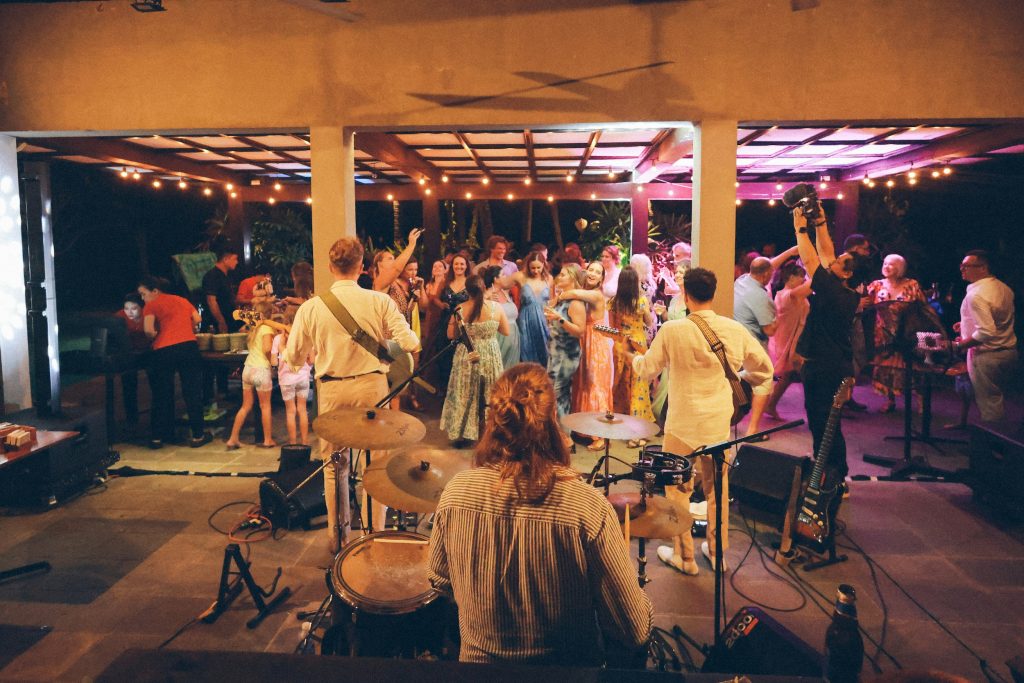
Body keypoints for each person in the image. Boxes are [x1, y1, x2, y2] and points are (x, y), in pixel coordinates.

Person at [428, 363, 652, 665]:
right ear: (552, 420)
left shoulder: (457, 492)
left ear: (494, 418)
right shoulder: (587, 508)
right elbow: (633, 631)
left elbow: (440, 580)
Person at [630, 267, 772, 576]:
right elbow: (764, 370)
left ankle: (686, 557)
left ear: (685, 293)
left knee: (678, 491)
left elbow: (646, 370)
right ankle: (717, 552)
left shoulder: (673, 330)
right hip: (718, 423)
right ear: (714, 292)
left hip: (682, 423)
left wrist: (635, 358)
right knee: (716, 488)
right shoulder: (734, 330)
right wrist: (741, 376)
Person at [284, 236, 419, 552]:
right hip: (371, 387)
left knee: (334, 465)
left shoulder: (311, 307)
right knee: (376, 465)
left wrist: (312, 350)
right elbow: (411, 342)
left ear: (331, 267)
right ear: (361, 267)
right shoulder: (379, 301)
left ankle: (338, 537)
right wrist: (383, 349)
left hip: (331, 390)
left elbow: (292, 358)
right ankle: (373, 536)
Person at [793, 203, 861, 486]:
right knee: (822, 421)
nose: (831, 261)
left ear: (845, 273)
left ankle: (835, 474)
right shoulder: (841, 290)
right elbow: (826, 253)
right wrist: (820, 224)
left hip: (826, 367)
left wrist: (800, 227)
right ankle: (828, 470)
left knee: (825, 422)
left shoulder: (835, 293)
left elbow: (811, 259)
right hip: (829, 364)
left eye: (839, 261)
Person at [138, 276, 211, 450]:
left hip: (163, 351)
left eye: (143, 294)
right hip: (188, 347)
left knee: (162, 393)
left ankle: (157, 437)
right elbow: (198, 320)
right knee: (192, 391)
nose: (142, 298)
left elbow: (148, 330)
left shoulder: (151, 305)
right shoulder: (182, 300)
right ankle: (198, 435)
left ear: (155, 291)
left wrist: (157, 335)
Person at [439, 274, 509, 444]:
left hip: (467, 355)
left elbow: (451, 335)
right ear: (484, 288)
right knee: (489, 392)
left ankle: (462, 431)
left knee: (465, 392)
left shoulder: (460, 309)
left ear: (467, 291)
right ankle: (489, 432)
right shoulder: (496, 308)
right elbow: (506, 331)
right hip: (490, 355)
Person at [954, 250, 1017, 422]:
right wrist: (966, 325)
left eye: (966, 266)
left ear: (983, 268)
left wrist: (960, 345)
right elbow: (998, 319)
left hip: (987, 356)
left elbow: (986, 332)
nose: (962, 269)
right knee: (997, 399)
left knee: (989, 404)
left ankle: (989, 446)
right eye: (962, 265)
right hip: (1008, 352)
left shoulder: (977, 295)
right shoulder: (1004, 288)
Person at [559, 261, 614, 451]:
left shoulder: (597, 295)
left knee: (595, 385)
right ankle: (584, 427)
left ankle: (600, 434)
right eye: (591, 269)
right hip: (583, 341)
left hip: (596, 343)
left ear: (601, 278)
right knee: (581, 384)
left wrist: (560, 294)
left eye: (597, 272)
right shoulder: (585, 291)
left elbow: (572, 293)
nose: (592, 274)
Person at [867, 254, 925, 412]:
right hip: (884, 334)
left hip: (907, 333)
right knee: (885, 368)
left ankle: (921, 402)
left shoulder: (911, 284)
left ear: (900, 268)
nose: (886, 266)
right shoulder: (876, 285)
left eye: (891, 264)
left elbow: (923, 308)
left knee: (913, 367)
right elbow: (865, 305)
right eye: (885, 263)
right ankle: (890, 400)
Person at [224, 299, 279, 450]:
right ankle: (268, 440)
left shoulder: (252, 328)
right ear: (270, 314)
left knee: (245, 406)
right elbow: (267, 349)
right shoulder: (267, 329)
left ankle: (233, 438)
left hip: (248, 369)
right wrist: (273, 364)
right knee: (265, 406)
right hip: (261, 370)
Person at [608, 266, 654, 444]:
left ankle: (623, 426)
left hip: (620, 346)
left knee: (621, 387)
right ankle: (637, 433)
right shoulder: (641, 301)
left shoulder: (613, 302)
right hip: (638, 346)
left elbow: (613, 328)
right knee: (639, 388)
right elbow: (649, 323)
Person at [765, 261, 812, 419]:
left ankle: (770, 405)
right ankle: (768, 405)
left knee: (788, 375)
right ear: (791, 277)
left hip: (788, 339)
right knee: (787, 374)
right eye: (801, 277)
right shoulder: (789, 295)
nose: (804, 280)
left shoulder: (786, 294)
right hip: (785, 340)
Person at [544, 263, 587, 418]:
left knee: (559, 395)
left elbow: (580, 331)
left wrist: (560, 319)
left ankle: (565, 437)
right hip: (554, 353)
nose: (559, 277)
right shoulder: (560, 299)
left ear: (573, 278)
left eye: (563, 275)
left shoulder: (575, 303)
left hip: (566, 355)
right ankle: (557, 434)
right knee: (553, 395)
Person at [651, 263, 688, 423]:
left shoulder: (691, 300)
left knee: (676, 385)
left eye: (682, 272)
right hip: (670, 345)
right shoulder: (674, 299)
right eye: (677, 272)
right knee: (665, 384)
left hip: (683, 347)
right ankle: (661, 417)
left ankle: (672, 420)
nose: (677, 275)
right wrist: (663, 312)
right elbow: (669, 320)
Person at [388, 258, 426, 410]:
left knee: (414, 367)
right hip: (397, 331)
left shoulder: (412, 284)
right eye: (410, 269)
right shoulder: (393, 285)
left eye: (416, 269)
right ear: (402, 269)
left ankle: (412, 396)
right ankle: (398, 402)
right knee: (401, 367)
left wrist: (420, 290)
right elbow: (401, 311)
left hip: (412, 327)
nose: (413, 273)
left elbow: (424, 306)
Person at [843, 234, 873, 412]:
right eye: (865, 248)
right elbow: (837, 292)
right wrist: (856, 303)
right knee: (848, 357)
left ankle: (847, 396)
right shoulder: (844, 264)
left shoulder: (858, 267)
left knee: (857, 356)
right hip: (847, 318)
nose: (867, 253)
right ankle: (840, 400)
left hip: (856, 317)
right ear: (855, 248)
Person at [115, 292, 151, 436]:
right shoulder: (119, 317)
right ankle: (132, 419)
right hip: (129, 354)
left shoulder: (149, 315)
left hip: (149, 352)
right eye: (127, 308)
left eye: (134, 308)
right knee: (129, 384)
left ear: (142, 308)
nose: (130, 312)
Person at [271, 319, 312, 445]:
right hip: (303, 378)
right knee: (302, 409)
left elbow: (273, 362)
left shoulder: (278, 339)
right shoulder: (306, 337)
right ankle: (305, 442)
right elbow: (312, 360)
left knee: (290, 411)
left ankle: (293, 443)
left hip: (286, 379)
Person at [434, 253, 471, 393]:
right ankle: (446, 387)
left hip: (464, 322)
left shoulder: (470, 282)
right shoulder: (445, 282)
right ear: (452, 266)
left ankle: (461, 388)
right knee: (444, 354)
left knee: (461, 354)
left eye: (462, 264)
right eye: (456, 264)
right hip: (445, 322)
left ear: (466, 266)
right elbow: (435, 299)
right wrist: (441, 304)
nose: (459, 266)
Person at [515, 252, 552, 366]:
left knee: (545, 353)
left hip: (543, 319)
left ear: (543, 265)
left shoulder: (549, 278)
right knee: (526, 351)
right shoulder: (522, 277)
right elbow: (503, 285)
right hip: (525, 320)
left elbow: (552, 301)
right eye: (532, 268)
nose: (535, 271)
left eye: (538, 267)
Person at [483, 265, 520, 371]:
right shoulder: (488, 294)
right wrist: (487, 300)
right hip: (499, 336)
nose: (506, 277)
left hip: (514, 336)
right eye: (503, 275)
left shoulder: (505, 292)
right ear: (495, 279)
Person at [369, 228, 423, 293]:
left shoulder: (396, 282)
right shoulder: (379, 282)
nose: (394, 261)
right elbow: (396, 268)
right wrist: (411, 245)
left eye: (394, 259)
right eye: (390, 259)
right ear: (379, 264)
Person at [202, 246, 240, 333]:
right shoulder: (212, 276)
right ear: (225, 259)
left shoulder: (227, 275)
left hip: (229, 319)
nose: (237, 262)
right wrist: (221, 322)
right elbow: (211, 301)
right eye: (235, 259)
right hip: (215, 322)